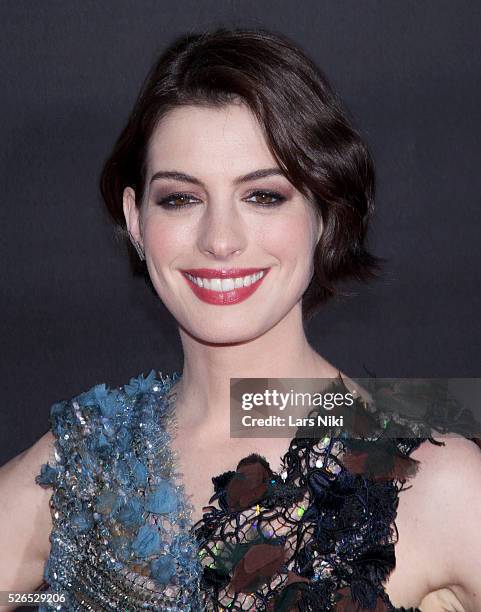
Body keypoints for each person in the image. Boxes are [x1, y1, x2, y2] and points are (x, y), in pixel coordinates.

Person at [1, 27, 480, 612]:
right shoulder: (82, 464)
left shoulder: (437, 485)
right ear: (135, 219)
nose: (220, 240)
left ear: (325, 214)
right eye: (180, 198)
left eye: (264, 196)